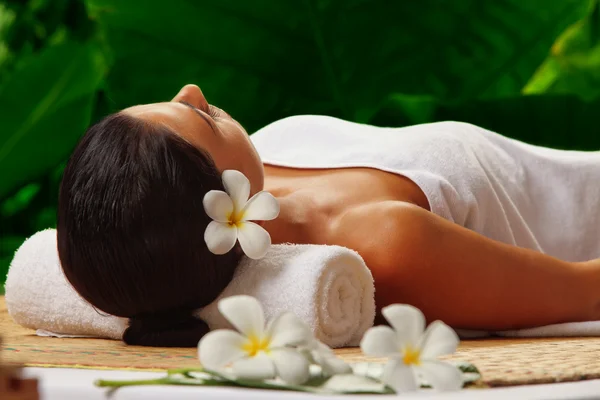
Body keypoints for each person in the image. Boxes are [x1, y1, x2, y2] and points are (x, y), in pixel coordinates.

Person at [57, 84, 600, 347]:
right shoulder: (384, 245)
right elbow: (584, 291)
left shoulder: (259, 169)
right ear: (221, 202)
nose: (193, 89)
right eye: (199, 116)